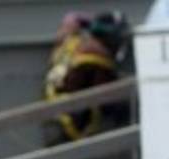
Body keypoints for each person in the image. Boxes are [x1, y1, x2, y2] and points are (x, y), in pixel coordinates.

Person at [44, 10, 131, 145]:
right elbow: (106, 99)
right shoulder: (96, 57)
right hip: (73, 121)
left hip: (54, 114)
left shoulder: (72, 45)